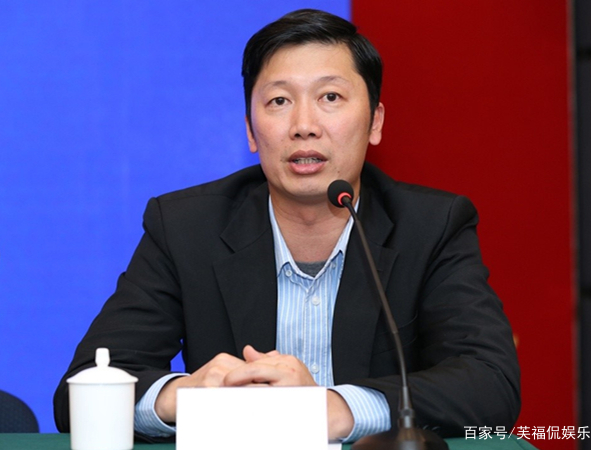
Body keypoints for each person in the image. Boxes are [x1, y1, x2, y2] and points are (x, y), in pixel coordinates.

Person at [54, 8, 520, 443]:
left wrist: (337, 407)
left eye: (330, 97)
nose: (304, 125)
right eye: (279, 100)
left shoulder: (431, 226)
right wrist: (184, 396)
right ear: (251, 131)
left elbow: (490, 382)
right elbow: (81, 391)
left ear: (375, 121)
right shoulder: (185, 227)